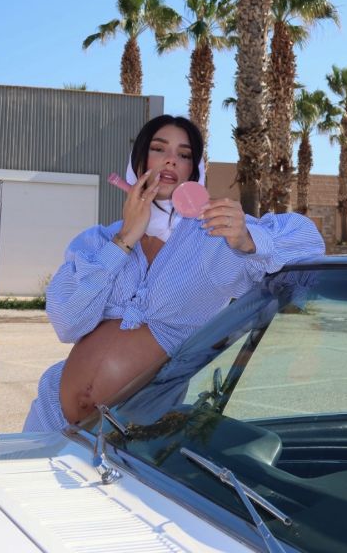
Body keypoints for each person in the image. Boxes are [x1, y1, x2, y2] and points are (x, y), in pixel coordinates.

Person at [23, 114, 324, 432]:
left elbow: (308, 243)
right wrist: (124, 240)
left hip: (136, 436)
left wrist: (248, 240)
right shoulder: (98, 240)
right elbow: (67, 323)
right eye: (158, 149)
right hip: (51, 416)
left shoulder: (216, 235)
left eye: (184, 154)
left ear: (194, 171)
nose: (171, 160)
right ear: (139, 160)